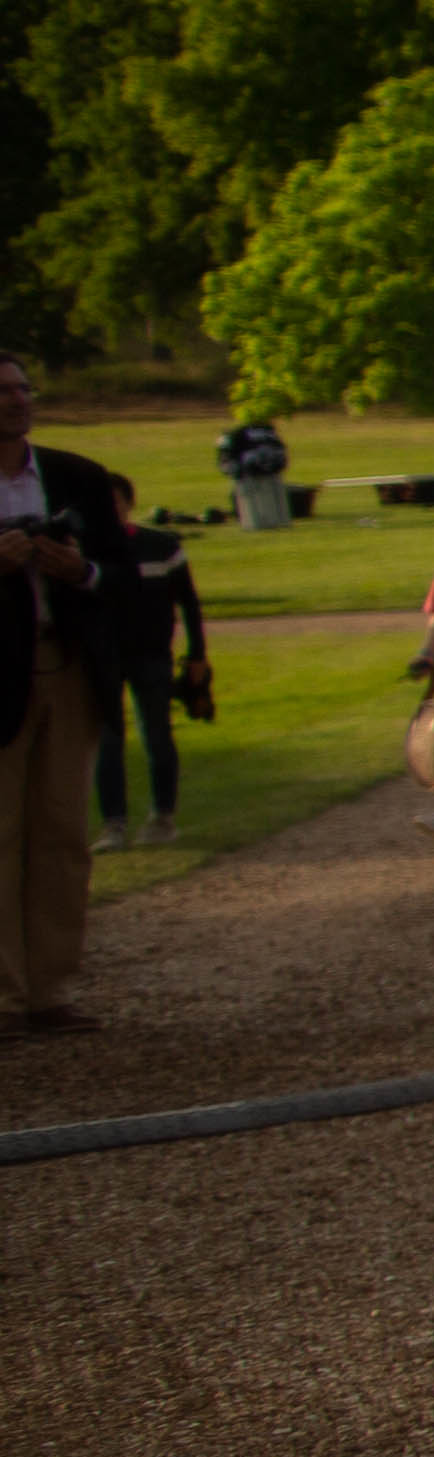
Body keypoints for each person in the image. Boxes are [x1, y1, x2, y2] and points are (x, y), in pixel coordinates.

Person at [0, 352, 147, 1029]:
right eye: (4, 392)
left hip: (66, 669)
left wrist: (80, 570)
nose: (17, 401)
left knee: (61, 833)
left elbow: (125, 576)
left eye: (24, 388)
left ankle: (49, 991)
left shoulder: (77, 478)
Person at [86, 501, 204, 851]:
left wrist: (197, 653)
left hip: (152, 655)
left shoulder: (160, 545)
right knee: (107, 740)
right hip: (103, 658)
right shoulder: (85, 549)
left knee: (156, 733)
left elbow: (189, 601)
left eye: (115, 501)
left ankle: (162, 817)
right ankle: (114, 825)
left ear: (128, 504)